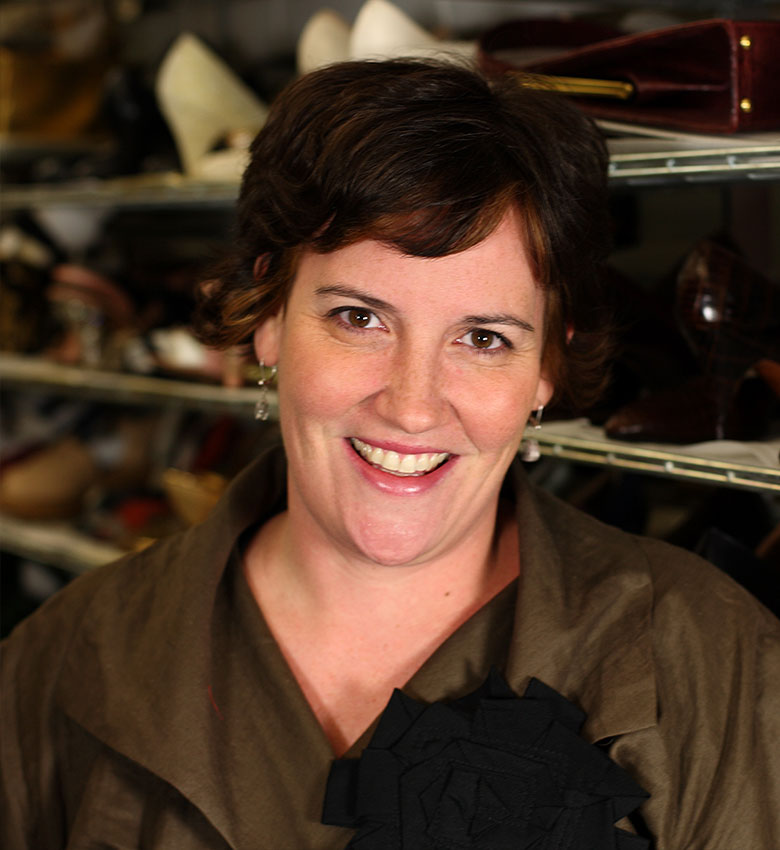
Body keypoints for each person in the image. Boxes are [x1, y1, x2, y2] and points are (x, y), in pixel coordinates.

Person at [2, 59, 779, 850]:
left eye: (484, 339)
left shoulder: (713, 662)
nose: (412, 405)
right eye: (359, 318)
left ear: (548, 365)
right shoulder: (60, 659)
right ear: (269, 316)